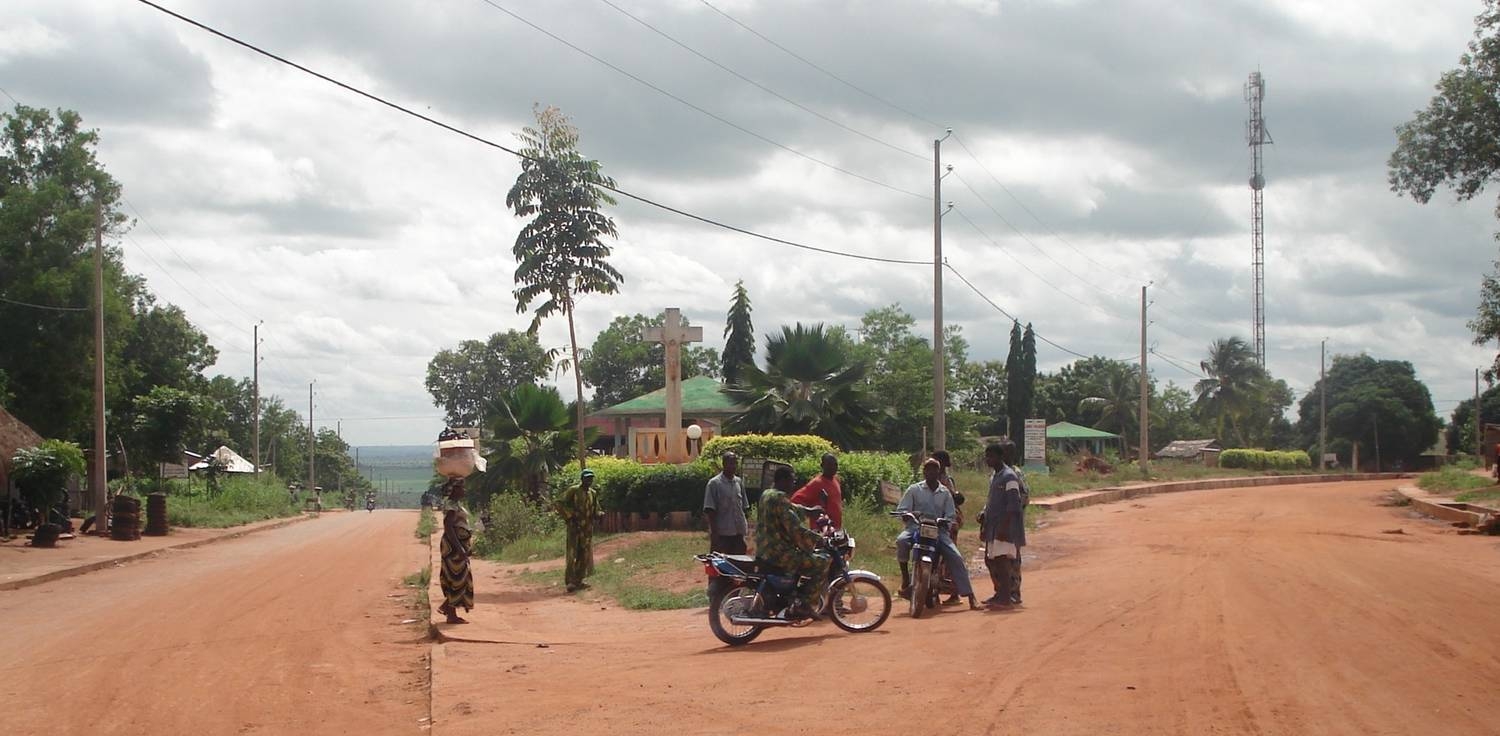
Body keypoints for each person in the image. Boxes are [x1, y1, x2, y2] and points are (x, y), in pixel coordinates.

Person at [896, 458, 978, 610]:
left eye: (934, 469)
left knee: (956, 557)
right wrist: (907, 515)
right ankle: (905, 578)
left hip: (938, 531)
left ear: (939, 472)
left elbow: (951, 515)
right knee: (901, 541)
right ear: (924, 472)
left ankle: (971, 596)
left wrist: (946, 521)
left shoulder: (945, 492)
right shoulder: (914, 489)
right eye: (928, 469)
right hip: (916, 528)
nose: (931, 472)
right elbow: (903, 509)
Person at [757, 465, 831, 619]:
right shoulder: (779, 498)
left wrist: (810, 511)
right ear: (783, 480)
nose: (793, 484)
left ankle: (792, 596)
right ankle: (804, 604)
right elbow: (794, 529)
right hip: (779, 552)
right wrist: (818, 540)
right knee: (822, 563)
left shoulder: (767, 494)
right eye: (792, 481)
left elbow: (791, 508)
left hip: (765, 550)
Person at [979, 441, 1027, 609]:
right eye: (986, 456)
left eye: (991, 456)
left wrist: (1004, 528)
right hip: (993, 527)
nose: (987, 459)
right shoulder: (996, 476)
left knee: (1003, 562)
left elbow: (1013, 505)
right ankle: (1000, 594)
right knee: (993, 561)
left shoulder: (1010, 476)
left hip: (1005, 528)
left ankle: (1007, 598)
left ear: (1000, 457)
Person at [554, 469, 599, 593]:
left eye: (591, 478)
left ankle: (579, 580)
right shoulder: (573, 490)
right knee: (572, 554)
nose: (589, 481)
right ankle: (570, 581)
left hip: (587, 529)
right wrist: (569, 516)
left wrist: (598, 514)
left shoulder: (592, 493)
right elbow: (559, 503)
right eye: (586, 478)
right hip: (574, 527)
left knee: (584, 554)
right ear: (582, 479)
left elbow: (596, 508)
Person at [437, 478, 474, 624]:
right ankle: (449, 611)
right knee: (458, 578)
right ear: (455, 490)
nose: (464, 491)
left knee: (458, 577)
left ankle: (448, 609)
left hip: (455, 546)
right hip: (453, 547)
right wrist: (460, 548)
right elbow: (449, 527)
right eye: (461, 488)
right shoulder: (451, 505)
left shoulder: (455, 504)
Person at [703, 452, 749, 555]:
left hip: (738, 533)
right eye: (730, 463)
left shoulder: (739, 482)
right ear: (724, 464)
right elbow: (710, 510)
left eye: (735, 463)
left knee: (739, 565)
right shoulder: (714, 484)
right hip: (723, 535)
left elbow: (744, 507)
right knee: (722, 566)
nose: (733, 466)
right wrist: (714, 534)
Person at [790, 453, 843, 530]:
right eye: (829, 464)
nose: (833, 467)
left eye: (835, 464)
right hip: (821, 530)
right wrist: (810, 511)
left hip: (835, 529)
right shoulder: (816, 483)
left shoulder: (836, 480)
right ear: (822, 466)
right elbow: (795, 500)